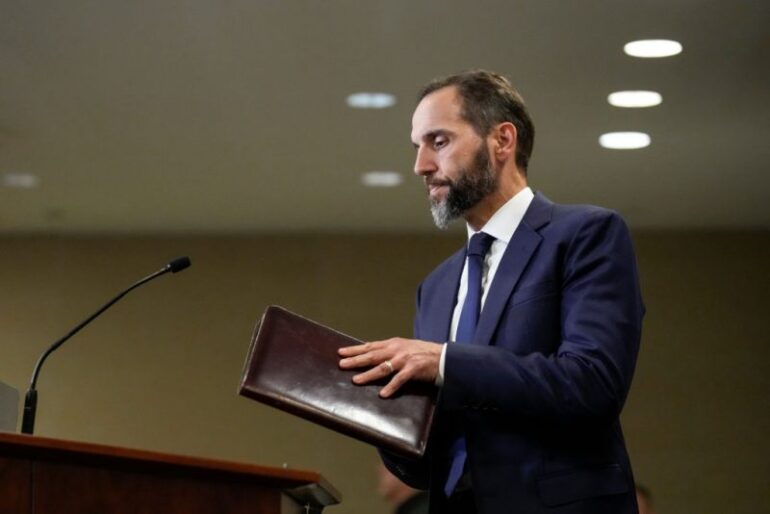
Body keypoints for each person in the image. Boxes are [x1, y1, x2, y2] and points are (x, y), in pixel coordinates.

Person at [339, 70, 644, 513]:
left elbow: (593, 384)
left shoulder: (587, 234)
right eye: (418, 147)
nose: (421, 166)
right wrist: (375, 411)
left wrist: (443, 361)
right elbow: (431, 462)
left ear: (502, 140)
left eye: (438, 142)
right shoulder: (436, 287)